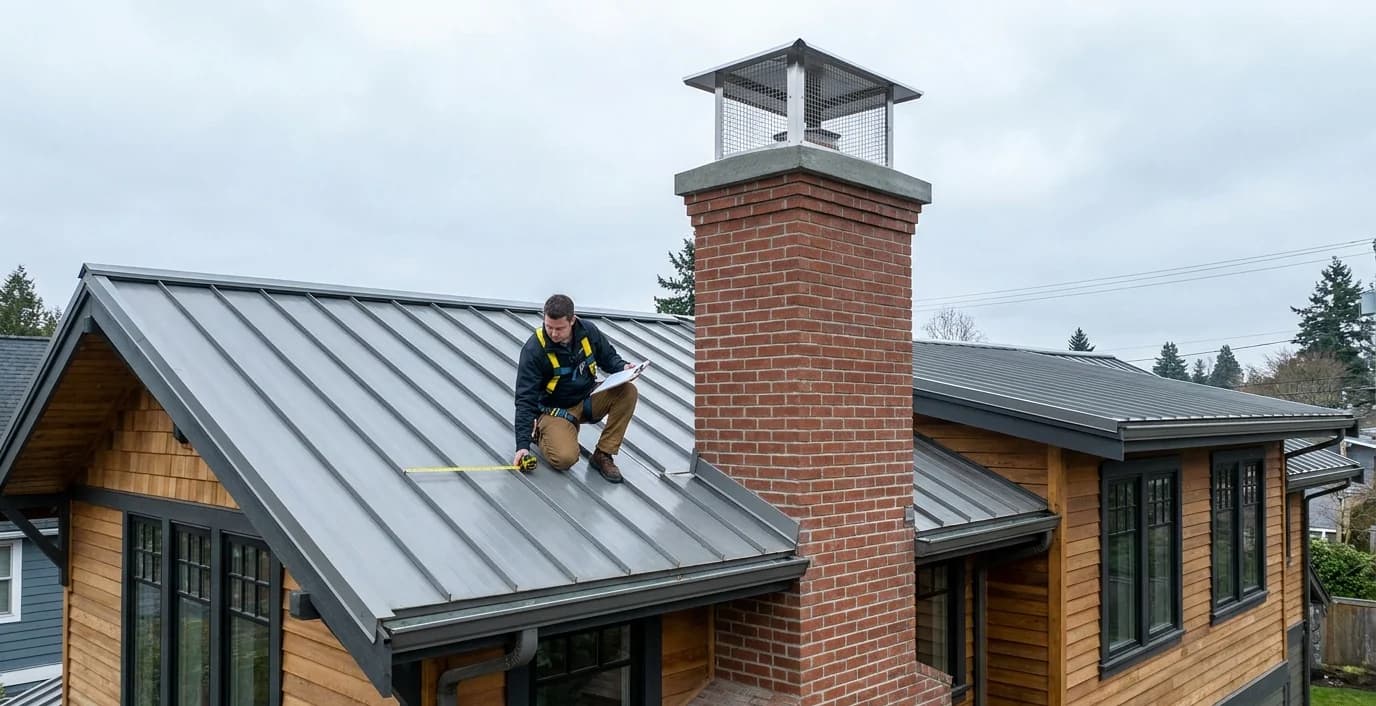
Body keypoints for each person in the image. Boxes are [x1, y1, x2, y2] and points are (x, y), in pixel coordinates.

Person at [512, 294, 638, 483]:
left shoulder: (588, 331)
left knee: (628, 391)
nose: (553, 333)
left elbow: (608, 358)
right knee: (564, 459)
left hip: (587, 398)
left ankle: (603, 454)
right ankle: (541, 434)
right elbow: (525, 400)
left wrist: (623, 367)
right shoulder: (534, 350)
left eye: (559, 328)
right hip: (554, 411)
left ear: (572, 320)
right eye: (549, 327)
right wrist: (522, 446)